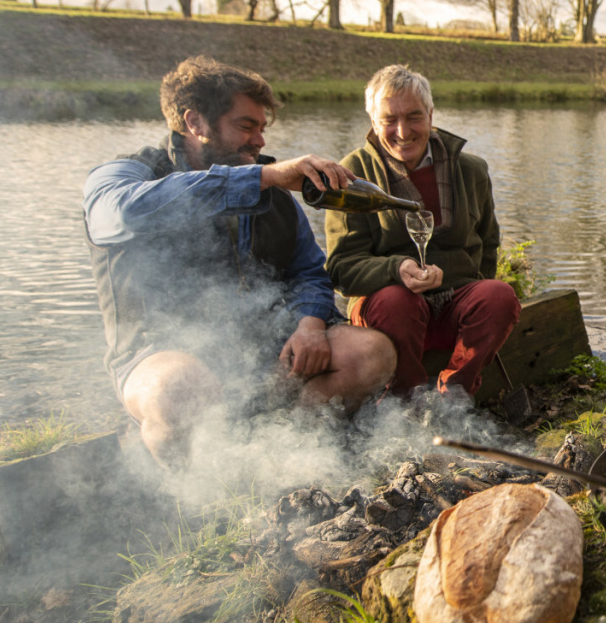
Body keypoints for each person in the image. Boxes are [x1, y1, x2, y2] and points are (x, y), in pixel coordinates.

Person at [84, 55, 396, 469]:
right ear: (194, 122)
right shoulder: (125, 176)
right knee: (178, 390)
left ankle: (288, 459)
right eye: (246, 126)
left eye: (262, 128)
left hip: (264, 355)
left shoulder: (267, 184)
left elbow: (308, 272)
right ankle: (199, 499)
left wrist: (309, 325)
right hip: (160, 351)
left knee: (371, 352)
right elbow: (118, 215)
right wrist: (263, 178)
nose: (260, 142)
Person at [324, 65, 521, 399]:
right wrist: (396, 269)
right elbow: (342, 269)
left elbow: (488, 244)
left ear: (430, 115)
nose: (403, 131)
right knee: (396, 300)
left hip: (453, 306)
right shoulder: (351, 175)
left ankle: (454, 398)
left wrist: (471, 292)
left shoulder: (471, 170)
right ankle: (404, 399)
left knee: (498, 295)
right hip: (387, 315)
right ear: (373, 123)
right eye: (389, 119)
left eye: (414, 117)